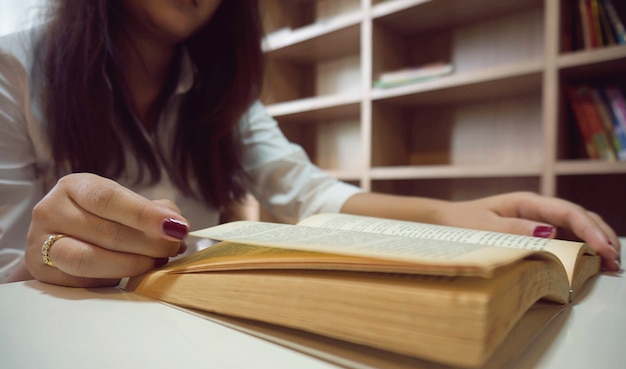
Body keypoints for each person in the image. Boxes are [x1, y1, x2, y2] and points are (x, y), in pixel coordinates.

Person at [0, 0, 620, 288]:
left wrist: (458, 215)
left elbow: (310, 191)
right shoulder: (15, 62)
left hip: (198, 328)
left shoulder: (223, 92)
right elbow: (8, 276)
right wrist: (43, 256)